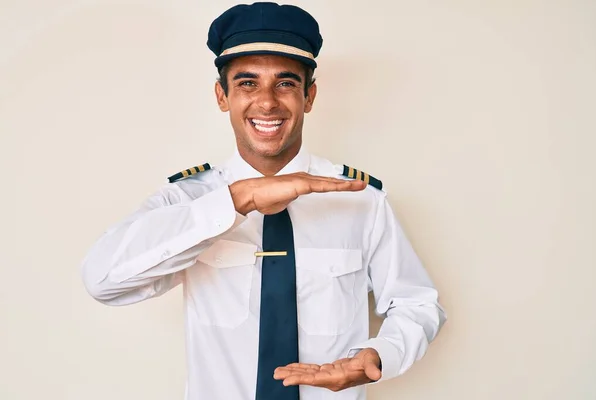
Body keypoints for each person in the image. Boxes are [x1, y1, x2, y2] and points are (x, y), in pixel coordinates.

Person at [81, 2, 447, 399]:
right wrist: (238, 199)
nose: (268, 102)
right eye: (248, 83)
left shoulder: (360, 198)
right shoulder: (188, 198)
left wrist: (379, 354)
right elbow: (103, 281)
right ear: (223, 96)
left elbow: (418, 304)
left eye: (286, 83)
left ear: (309, 96)